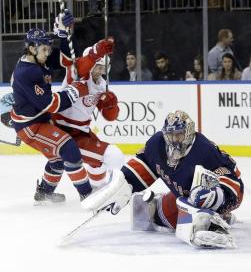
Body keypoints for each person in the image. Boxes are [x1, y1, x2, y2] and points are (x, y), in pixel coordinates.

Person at [81, 110, 244, 248]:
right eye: (170, 134)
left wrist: (217, 197)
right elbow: (144, 164)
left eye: (179, 134)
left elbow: (232, 181)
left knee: (200, 200)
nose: (174, 139)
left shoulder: (204, 151)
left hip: (213, 193)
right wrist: (123, 185)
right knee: (161, 216)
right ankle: (207, 215)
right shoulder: (157, 144)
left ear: (188, 132)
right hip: (183, 195)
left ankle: (218, 217)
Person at [10, 13, 114, 204]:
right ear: (31, 48)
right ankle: (87, 195)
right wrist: (74, 91)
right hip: (30, 126)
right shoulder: (26, 72)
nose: (48, 52)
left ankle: (44, 193)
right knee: (68, 147)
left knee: (57, 157)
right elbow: (51, 104)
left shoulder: (38, 59)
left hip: (40, 119)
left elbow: (67, 61)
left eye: (48, 48)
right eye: (44, 49)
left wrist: (63, 34)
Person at [52, 40, 124, 191]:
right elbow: (80, 66)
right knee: (114, 156)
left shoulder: (102, 85)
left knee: (97, 162)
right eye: (96, 67)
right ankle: (95, 189)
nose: (99, 71)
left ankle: (97, 187)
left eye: (102, 68)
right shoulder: (78, 75)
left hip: (81, 131)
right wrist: (96, 53)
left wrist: (111, 105)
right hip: (63, 130)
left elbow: (109, 117)